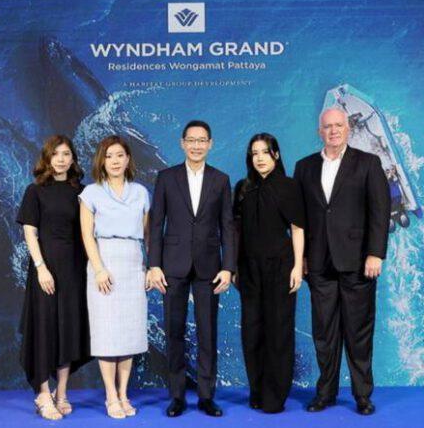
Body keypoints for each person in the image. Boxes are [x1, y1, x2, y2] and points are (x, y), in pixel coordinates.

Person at [294, 107, 390, 416]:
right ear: (319, 132)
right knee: (324, 333)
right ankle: (326, 393)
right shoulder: (304, 167)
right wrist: (302, 257)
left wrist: (375, 253)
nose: (333, 130)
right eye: (327, 126)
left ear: (347, 129)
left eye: (338, 125)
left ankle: (362, 395)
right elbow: (299, 218)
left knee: (358, 333)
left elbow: (380, 211)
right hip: (319, 264)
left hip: (358, 262)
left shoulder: (368, 163)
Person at [147, 120, 235, 417]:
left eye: (202, 140)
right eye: (192, 140)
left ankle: (207, 396)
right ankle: (177, 396)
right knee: (174, 332)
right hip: (172, 266)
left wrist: (228, 267)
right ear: (182, 143)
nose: (197, 145)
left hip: (209, 268)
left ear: (210, 144)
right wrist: (154, 264)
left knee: (207, 333)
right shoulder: (166, 177)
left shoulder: (221, 180)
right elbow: (156, 224)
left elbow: (227, 226)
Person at [16, 134, 92, 421]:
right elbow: (30, 232)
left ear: (73, 159)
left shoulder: (83, 192)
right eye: (56, 154)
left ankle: (61, 393)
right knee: (45, 329)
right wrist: (41, 267)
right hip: (46, 270)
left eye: (66, 154)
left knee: (68, 330)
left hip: (75, 270)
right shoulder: (35, 191)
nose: (61, 159)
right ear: (47, 158)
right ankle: (43, 394)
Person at [79, 135, 151, 419]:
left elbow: (148, 235)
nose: (115, 161)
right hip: (104, 261)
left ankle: (123, 393)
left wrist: (149, 267)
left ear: (128, 159)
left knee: (129, 332)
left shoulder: (141, 193)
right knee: (107, 332)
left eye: (120, 155)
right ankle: (111, 395)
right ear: (102, 161)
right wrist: (99, 268)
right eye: (109, 156)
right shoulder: (91, 193)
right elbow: (87, 235)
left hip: (133, 262)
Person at [233, 133, 305, 413]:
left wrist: (297, 266)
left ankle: (275, 395)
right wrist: (234, 267)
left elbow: (297, 229)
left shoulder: (289, 186)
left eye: (265, 152)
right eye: (254, 153)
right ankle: (257, 390)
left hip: (280, 267)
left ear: (276, 155)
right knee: (252, 332)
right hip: (249, 270)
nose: (260, 158)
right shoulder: (242, 188)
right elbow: (236, 231)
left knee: (278, 331)